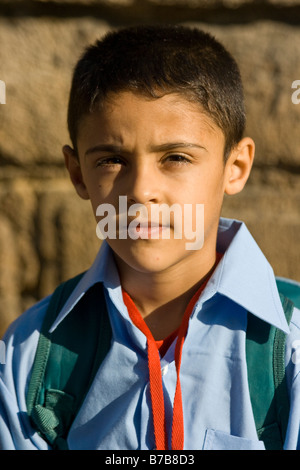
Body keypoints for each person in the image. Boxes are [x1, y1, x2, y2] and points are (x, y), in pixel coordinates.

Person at [1, 24, 300, 451]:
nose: (141, 190)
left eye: (176, 157)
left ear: (235, 167)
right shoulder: (29, 357)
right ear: (77, 173)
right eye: (111, 160)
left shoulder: (289, 349)